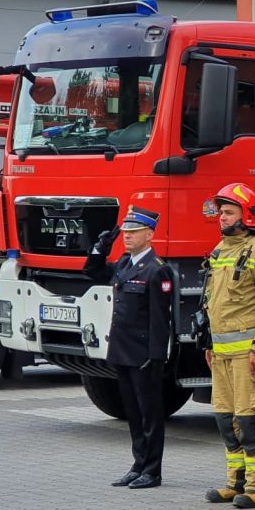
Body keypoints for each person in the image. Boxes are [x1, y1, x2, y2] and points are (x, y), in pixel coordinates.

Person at [201, 183, 255, 508]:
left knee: (252, 421)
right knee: (226, 419)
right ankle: (236, 482)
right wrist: (209, 343)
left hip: (250, 355)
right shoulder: (220, 250)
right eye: (220, 212)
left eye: (229, 212)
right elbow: (212, 302)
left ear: (247, 215)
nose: (221, 217)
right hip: (223, 354)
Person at [86, 205, 174, 490]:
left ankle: (152, 471)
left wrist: (156, 356)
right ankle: (138, 465)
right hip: (122, 350)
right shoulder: (125, 264)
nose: (127, 236)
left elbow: (161, 319)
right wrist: (100, 248)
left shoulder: (157, 270)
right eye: (125, 232)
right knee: (133, 413)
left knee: (150, 414)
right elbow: (93, 272)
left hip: (143, 353)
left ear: (149, 235)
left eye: (134, 232)